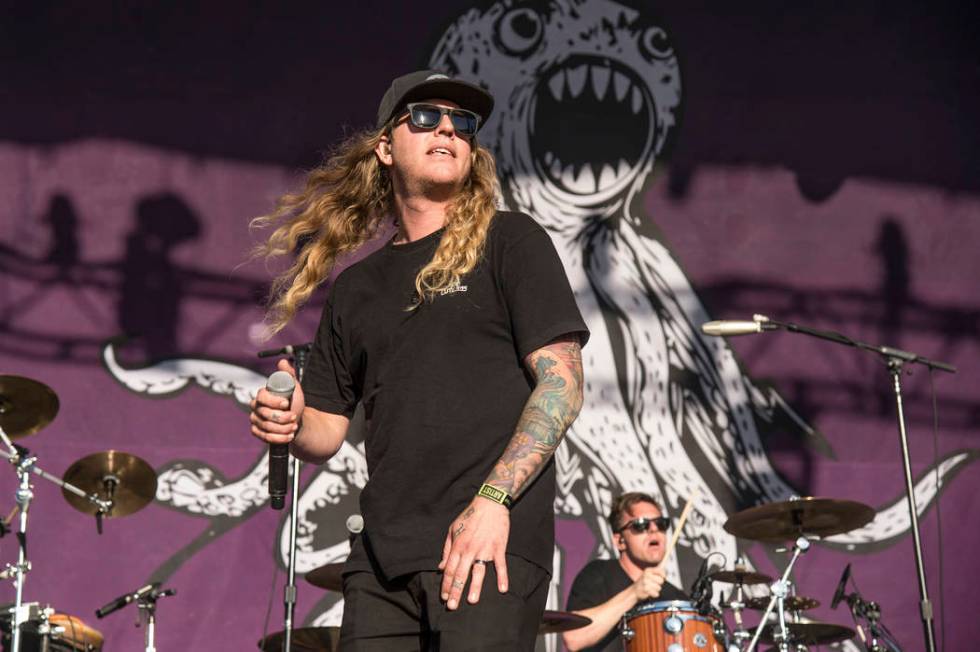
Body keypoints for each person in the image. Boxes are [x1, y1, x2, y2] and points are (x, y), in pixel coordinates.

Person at [248, 69, 589, 651]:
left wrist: (492, 502)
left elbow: (562, 385)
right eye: (427, 116)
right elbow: (326, 431)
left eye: (464, 123)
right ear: (385, 146)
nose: (449, 130)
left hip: (486, 545)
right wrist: (289, 422)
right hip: (381, 559)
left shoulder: (510, 241)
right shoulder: (357, 288)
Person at [563, 492, 688, 652]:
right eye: (641, 525)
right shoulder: (598, 574)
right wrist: (634, 592)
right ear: (619, 541)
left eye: (661, 524)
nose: (654, 530)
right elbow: (574, 638)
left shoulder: (676, 600)